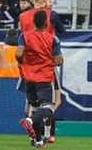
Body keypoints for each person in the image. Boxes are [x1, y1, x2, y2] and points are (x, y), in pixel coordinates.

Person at [16, 10, 63, 148]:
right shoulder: (52, 38)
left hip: (28, 77)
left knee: (35, 108)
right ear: (45, 23)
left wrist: (25, 61)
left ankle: (38, 141)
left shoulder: (24, 36)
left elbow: (18, 54)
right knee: (49, 108)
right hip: (44, 77)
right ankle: (29, 121)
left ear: (33, 22)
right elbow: (58, 61)